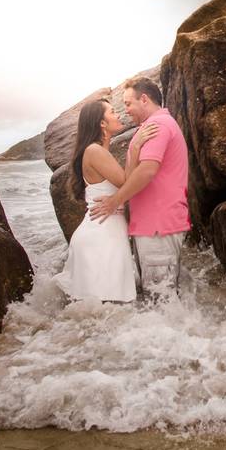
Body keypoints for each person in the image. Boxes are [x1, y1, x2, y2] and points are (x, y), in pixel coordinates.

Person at [89, 77, 190, 296]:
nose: (126, 111)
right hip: (156, 225)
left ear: (144, 99)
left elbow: (147, 170)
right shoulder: (154, 126)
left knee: (160, 300)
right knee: (162, 298)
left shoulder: (157, 126)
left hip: (157, 226)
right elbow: (134, 174)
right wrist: (134, 146)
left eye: (127, 103)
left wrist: (115, 200)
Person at [53, 98, 158, 302]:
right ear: (101, 123)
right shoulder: (94, 151)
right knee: (106, 310)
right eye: (112, 112)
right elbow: (128, 182)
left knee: (103, 312)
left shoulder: (98, 151)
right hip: (101, 237)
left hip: (104, 233)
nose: (118, 114)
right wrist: (135, 145)